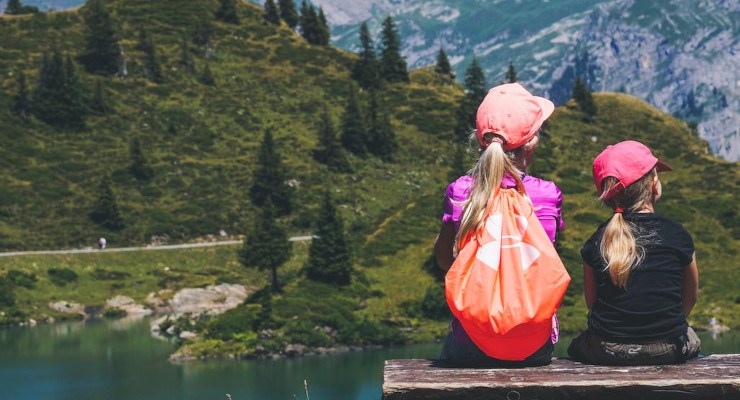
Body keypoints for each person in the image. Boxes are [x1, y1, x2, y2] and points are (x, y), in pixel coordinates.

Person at [434, 82, 564, 366]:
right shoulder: (547, 194)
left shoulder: (459, 191)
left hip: (470, 344)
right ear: (532, 144)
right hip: (534, 346)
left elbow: (445, 261)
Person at [568, 140, 701, 365]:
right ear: (654, 184)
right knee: (692, 338)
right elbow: (690, 296)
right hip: (667, 348)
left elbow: (592, 303)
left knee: (576, 345)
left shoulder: (597, 240)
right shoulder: (677, 234)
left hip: (608, 350)